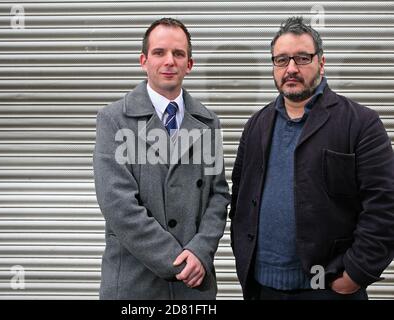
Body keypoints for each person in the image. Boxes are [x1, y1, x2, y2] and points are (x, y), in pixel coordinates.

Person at [230, 16, 394, 300]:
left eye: (302, 58)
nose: (291, 68)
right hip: (262, 288)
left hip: (327, 289)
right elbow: (241, 202)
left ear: (321, 62)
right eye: (281, 60)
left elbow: (385, 205)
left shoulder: (360, 123)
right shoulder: (256, 125)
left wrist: (355, 274)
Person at [94, 18, 230, 299]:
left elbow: (218, 197)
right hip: (135, 285)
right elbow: (117, 203)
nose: (169, 61)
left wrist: (200, 252)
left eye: (178, 54)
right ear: (144, 61)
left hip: (194, 286)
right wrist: (177, 260)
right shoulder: (114, 120)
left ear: (189, 64)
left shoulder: (208, 122)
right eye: (159, 52)